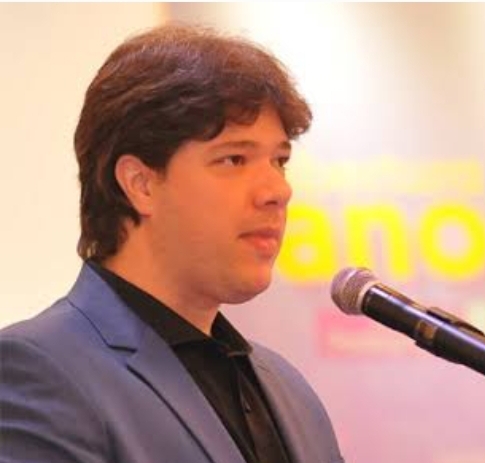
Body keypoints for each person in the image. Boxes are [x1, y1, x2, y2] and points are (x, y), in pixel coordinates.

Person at [0, 23, 344, 463]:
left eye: (280, 160)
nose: (278, 190)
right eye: (234, 159)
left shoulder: (291, 391)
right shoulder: (39, 372)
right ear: (140, 184)